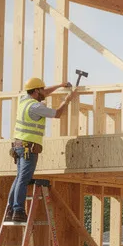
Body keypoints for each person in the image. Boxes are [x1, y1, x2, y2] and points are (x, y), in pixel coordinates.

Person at [5, 77, 80, 222]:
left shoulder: (23, 100)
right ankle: (18, 210)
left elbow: (44, 92)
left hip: (19, 147)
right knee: (23, 179)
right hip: (28, 149)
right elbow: (57, 114)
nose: (44, 92)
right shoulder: (36, 107)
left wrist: (60, 85)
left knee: (19, 178)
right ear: (35, 91)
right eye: (41, 90)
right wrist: (67, 100)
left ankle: (11, 209)